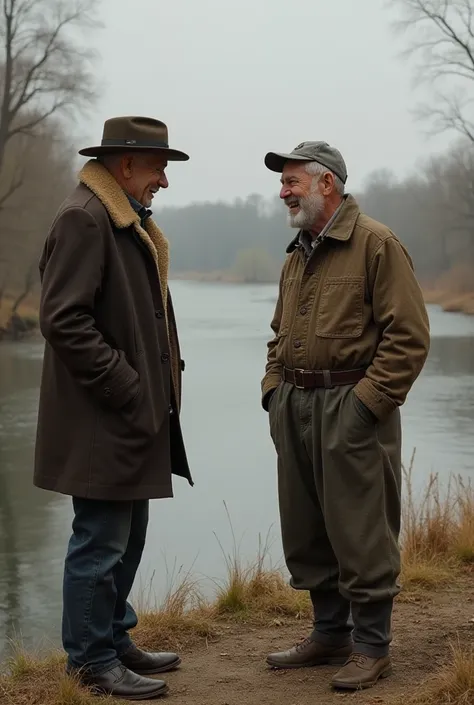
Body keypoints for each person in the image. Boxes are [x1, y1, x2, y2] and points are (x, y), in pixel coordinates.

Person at [34, 116, 193, 700]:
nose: (164, 182)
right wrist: (127, 385)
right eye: (158, 169)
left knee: (127, 536)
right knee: (99, 541)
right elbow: (63, 320)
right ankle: (91, 661)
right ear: (125, 165)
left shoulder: (122, 218)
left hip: (130, 417)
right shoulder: (85, 217)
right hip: (103, 418)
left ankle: (114, 637)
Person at [261, 141, 430, 690]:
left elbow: (408, 338)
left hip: (350, 407)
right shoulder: (296, 254)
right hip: (297, 407)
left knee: (361, 529)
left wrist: (365, 406)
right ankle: (330, 634)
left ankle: (372, 646)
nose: (283, 191)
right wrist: (273, 394)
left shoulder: (376, 244)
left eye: (292, 182)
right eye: (283, 183)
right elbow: (277, 335)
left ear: (326, 183)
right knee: (307, 527)